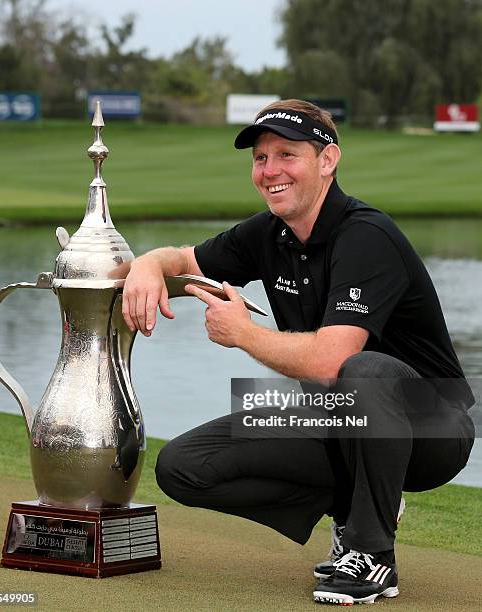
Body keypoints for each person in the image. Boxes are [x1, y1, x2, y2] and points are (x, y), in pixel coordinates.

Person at [122, 99, 475, 605]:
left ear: (327, 160)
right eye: (260, 159)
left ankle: (373, 555)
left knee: (363, 369)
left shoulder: (366, 235)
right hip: (338, 419)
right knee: (183, 465)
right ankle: (356, 507)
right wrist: (147, 267)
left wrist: (243, 333)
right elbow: (184, 259)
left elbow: (332, 362)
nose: (269, 171)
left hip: (432, 427)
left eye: (286, 155)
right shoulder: (269, 233)